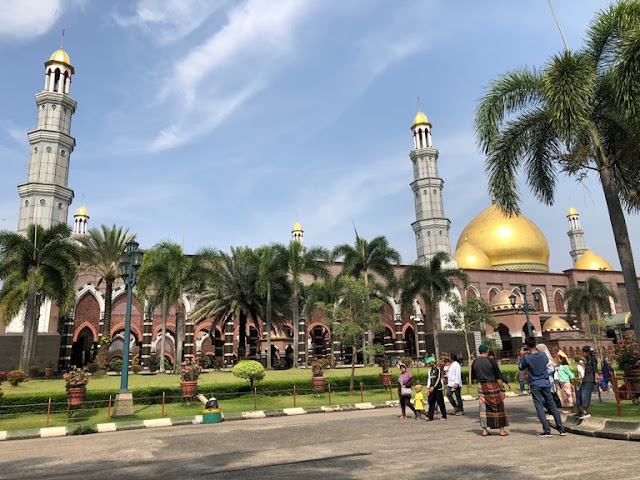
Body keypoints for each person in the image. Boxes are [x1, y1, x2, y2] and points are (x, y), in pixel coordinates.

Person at [519, 337, 566, 437]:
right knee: (552, 405)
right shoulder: (543, 355)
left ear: (526, 345)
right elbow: (545, 363)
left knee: (539, 406)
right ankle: (561, 428)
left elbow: (521, 367)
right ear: (535, 343)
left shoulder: (528, 358)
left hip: (535, 383)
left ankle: (546, 429)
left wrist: (522, 356)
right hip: (545, 382)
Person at [471, 344, 509, 436]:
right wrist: (502, 389)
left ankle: (484, 430)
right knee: (499, 407)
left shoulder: (475, 362)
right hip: (493, 385)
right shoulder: (491, 361)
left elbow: (473, 376)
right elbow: (498, 377)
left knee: (483, 408)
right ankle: (501, 430)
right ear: (487, 351)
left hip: (482, 386)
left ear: (479, 352)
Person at [577, 346, 598, 419]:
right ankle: (581, 411)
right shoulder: (587, 360)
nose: (583, 354)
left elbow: (595, 370)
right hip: (585, 379)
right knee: (579, 394)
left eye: (584, 352)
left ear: (587, 353)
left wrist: (596, 378)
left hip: (590, 380)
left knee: (585, 395)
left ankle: (585, 412)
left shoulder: (593, 359)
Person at [425, 357, 447, 421]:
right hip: (432, 389)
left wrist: (434, 386)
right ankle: (430, 416)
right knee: (431, 402)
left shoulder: (438, 370)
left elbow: (437, 379)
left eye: (429, 363)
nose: (428, 364)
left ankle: (444, 415)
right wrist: (428, 387)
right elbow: (430, 379)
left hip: (438, 389)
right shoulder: (430, 371)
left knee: (440, 402)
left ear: (433, 362)